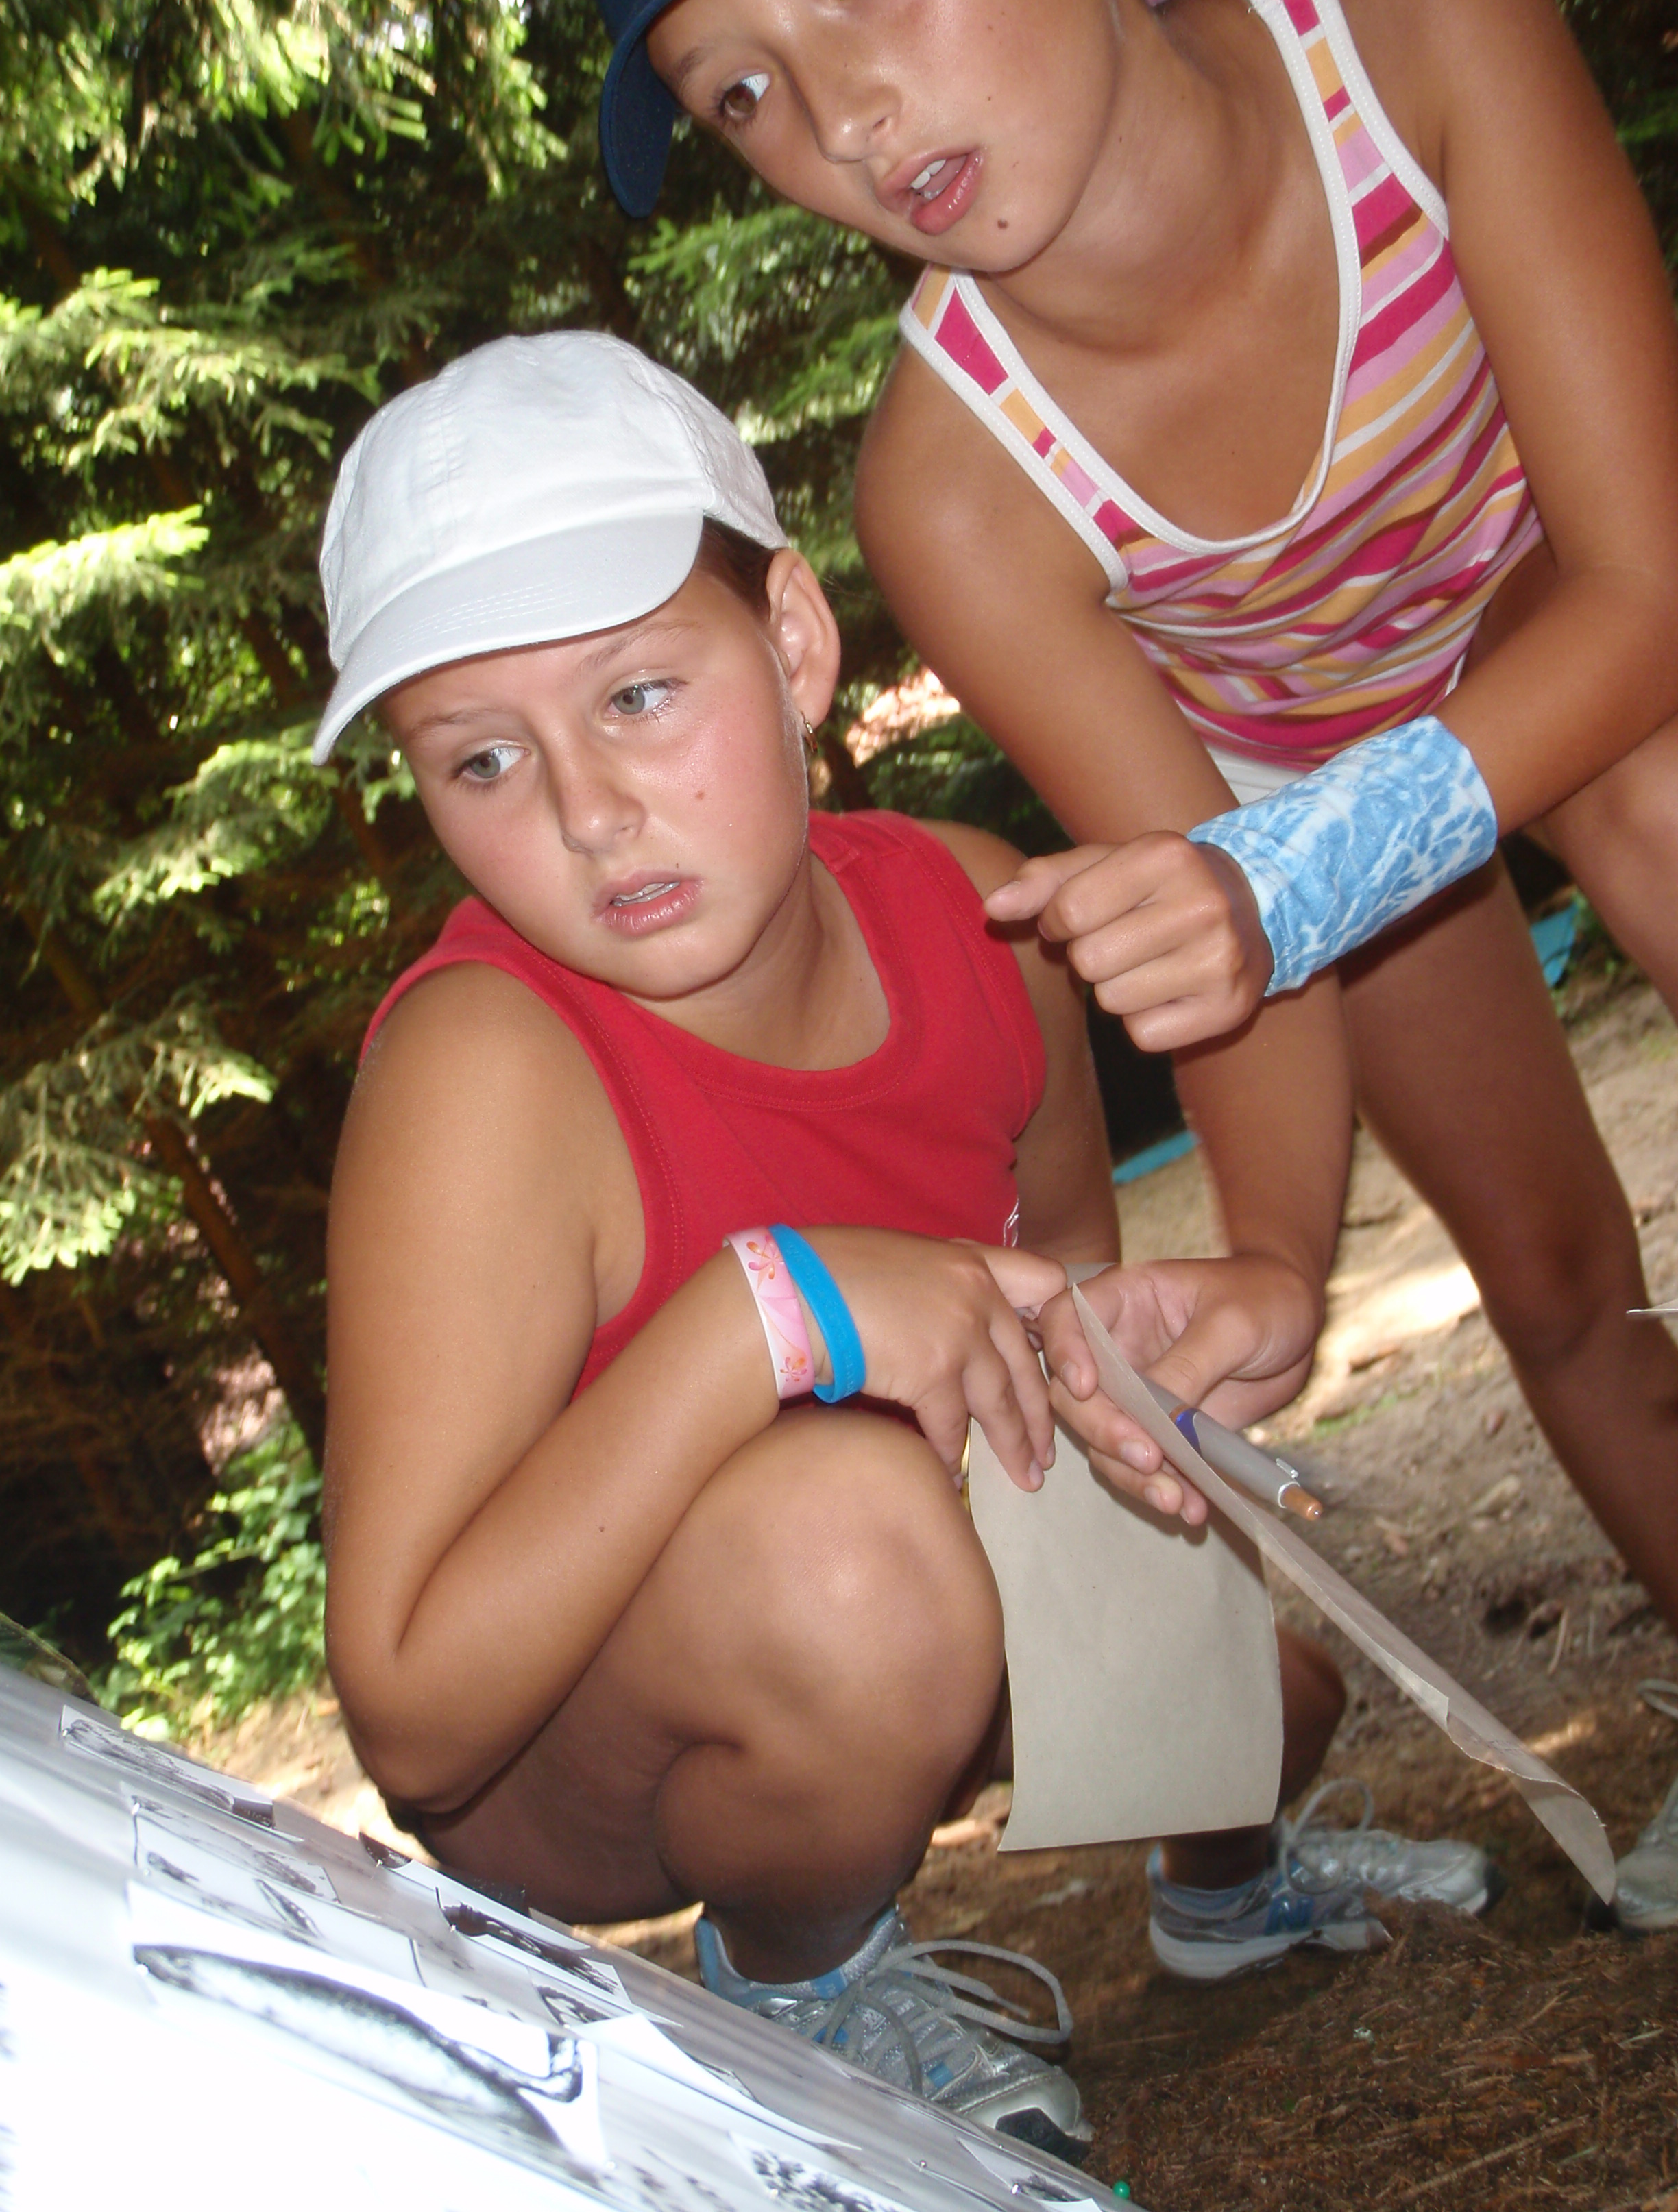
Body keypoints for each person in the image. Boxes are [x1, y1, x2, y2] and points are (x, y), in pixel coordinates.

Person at [314, 332, 1490, 2159]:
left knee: (1270, 1702)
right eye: (480, 758)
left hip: (914, 1582)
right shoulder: (486, 1069)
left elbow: (1063, 1276)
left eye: (639, 696)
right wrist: (766, 1318)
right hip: (580, 1743)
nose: (586, 812)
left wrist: (1134, 1363)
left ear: (795, 643)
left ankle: (1224, 1895)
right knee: (855, 1553)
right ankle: (799, 1989)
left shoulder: (973, 915)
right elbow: (416, 1721)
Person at [580, 0, 1678, 1929]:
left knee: (1644, 795)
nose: (843, 115)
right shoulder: (955, 480)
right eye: (742, 92)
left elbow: (1644, 589)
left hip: (1571, 638)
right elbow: (1193, 893)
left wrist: (1298, 873)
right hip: (1296, 814)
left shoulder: (1413, 37)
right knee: (1553, 1279)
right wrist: (1271, 1260)